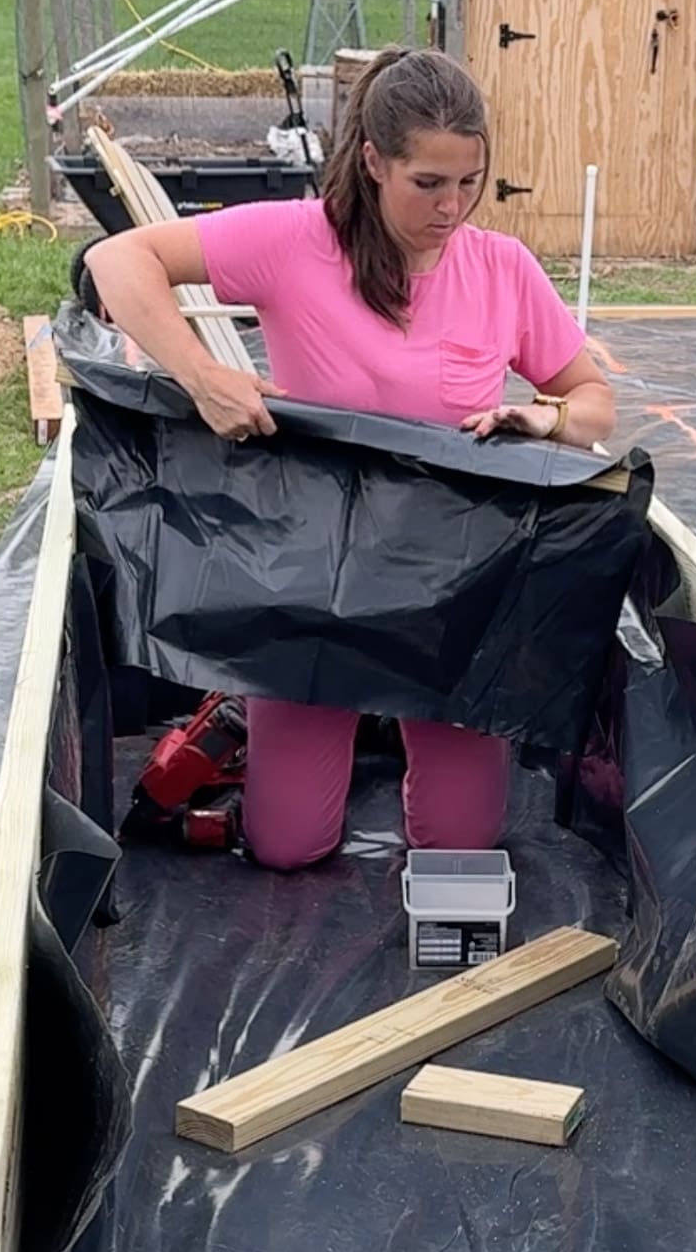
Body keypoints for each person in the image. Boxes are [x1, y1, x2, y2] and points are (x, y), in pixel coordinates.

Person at [85, 47, 617, 871]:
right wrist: (203, 376)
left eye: (469, 181)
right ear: (373, 161)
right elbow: (117, 260)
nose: (452, 207)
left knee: (463, 841)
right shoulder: (297, 240)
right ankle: (240, 719)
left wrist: (543, 419)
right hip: (314, 587)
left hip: (450, 590)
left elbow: (593, 403)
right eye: (428, 183)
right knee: (287, 847)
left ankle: (366, 731)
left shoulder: (500, 267)